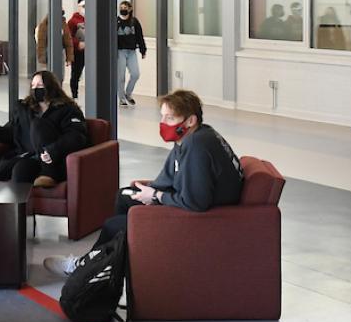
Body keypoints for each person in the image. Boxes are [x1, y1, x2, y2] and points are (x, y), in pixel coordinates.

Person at [43, 89, 242, 277]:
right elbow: (172, 176)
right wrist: (149, 190)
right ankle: (116, 262)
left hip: (201, 217)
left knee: (114, 225)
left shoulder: (197, 146)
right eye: (162, 117)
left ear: (190, 120)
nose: (163, 123)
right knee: (124, 195)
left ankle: (85, 268)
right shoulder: (194, 136)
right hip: (189, 203)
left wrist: (155, 196)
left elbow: (196, 202)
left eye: (170, 118)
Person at [0, 70, 89, 187]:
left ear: (51, 87)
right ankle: (10, 211)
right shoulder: (24, 109)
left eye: (40, 86)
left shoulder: (68, 109)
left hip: (54, 160)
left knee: (37, 128)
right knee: (9, 170)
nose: (35, 89)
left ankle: (48, 175)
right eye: (33, 86)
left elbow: (76, 136)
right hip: (28, 156)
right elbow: (8, 134)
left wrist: (52, 150)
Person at [116, 1, 146, 106]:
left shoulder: (134, 21)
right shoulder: (116, 21)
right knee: (120, 76)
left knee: (135, 74)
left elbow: (140, 36)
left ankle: (128, 94)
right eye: (121, 7)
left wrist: (143, 50)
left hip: (132, 51)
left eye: (125, 7)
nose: (123, 9)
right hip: (120, 51)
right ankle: (121, 98)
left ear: (130, 9)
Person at [36, 11, 74, 83]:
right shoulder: (44, 25)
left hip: (60, 52)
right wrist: (41, 58)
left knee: (60, 75)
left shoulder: (63, 25)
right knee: (48, 75)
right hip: (48, 52)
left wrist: (69, 58)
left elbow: (68, 42)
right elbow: (41, 43)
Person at [67, 0, 86, 98]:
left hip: (91, 52)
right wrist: (78, 44)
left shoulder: (93, 19)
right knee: (76, 74)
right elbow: (68, 37)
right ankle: (75, 94)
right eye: (83, 6)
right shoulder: (72, 21)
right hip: (78, 52)